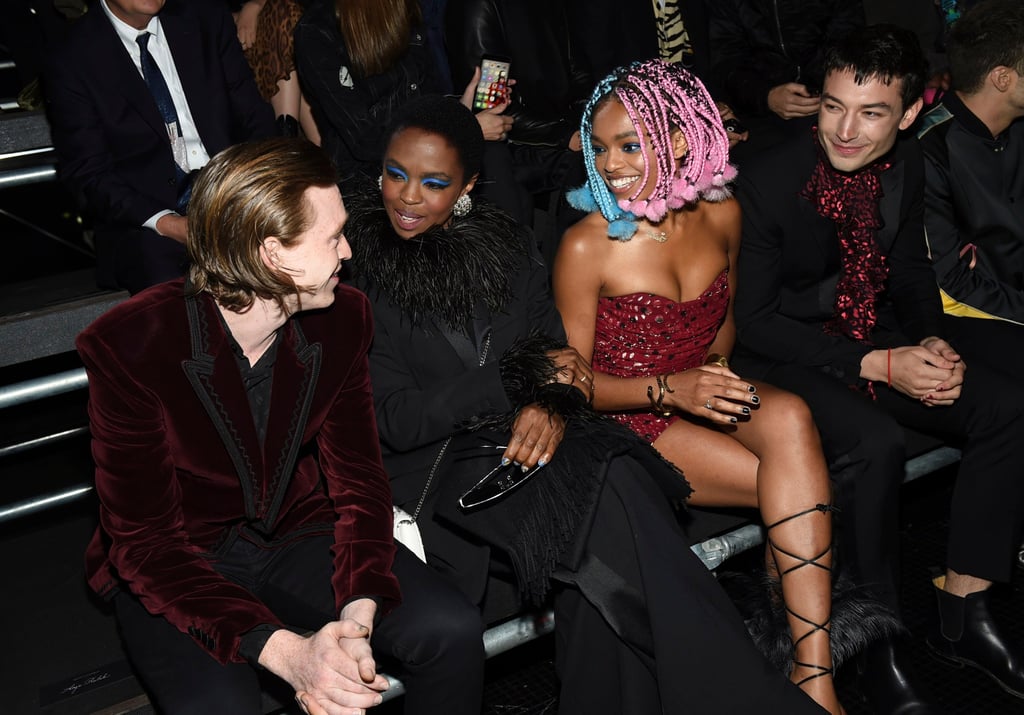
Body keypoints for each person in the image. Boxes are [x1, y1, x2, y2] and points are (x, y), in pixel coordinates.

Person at [344, 94, 824, 714]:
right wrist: (511, 381)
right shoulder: (359, 274)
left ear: (467, 185)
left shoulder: (507, 246)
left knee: (619, 486)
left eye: (433, 182)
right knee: (614, 513)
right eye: (395, 173)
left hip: (534, 445)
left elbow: (557, 357)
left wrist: (548, 403)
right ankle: (763, 700)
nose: (407, 197)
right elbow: (396, 421)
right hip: (441, 474)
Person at [76, 138, 485, 715]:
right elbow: (146, 545)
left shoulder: (342, 318)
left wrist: (358, 606)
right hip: (179, 560)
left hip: (293, 528)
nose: (348, 252)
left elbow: (361, 481)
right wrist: (289, 653)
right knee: (217, 707)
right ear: (273, 254)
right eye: (333, 237)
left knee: (450, 629)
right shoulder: (131, 346)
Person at [732, 23, 1024, 712]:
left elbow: (914, 274)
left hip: (873, 332)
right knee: (874, 444)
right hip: (784, 350)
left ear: (913, 111)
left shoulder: (910, 162)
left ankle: (966, 603)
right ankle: (871, 645)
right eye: (834, 106)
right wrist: (877, 361)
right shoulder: (770, 181)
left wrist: (931, 340)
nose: (846, 130)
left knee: (1006, 407)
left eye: (872, 112)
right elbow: (756, 320)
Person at [553, 59, 849, 715]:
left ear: (682, 140)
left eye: (629, 144)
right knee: (800, 488)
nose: (610, 164)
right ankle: (801, 677)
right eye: (598, 146)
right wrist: (672, 389)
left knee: (792, 420)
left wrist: (709, 376)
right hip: (621, 420)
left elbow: (724, 326)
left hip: (691, 395)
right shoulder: (587, 246)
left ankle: (811, 670)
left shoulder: (722, 213)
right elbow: (570, 388)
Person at [43, 0, 275, 294]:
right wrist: (168, 224)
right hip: (150, 217)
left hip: (233, 191)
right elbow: (89, 173)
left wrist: (251, 190)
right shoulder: (74, 56)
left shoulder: (204, 20)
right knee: (166, 278)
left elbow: (254, 118)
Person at [918, 0, 1024, 326]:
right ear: (1002, 79)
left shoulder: (1016, 126)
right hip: (981, 324)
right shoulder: (927, 150)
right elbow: (949, 286)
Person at [707, 0, 865, 157]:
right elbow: (726, 61)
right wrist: (766, 96)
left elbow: (850, 43)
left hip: (827, 98)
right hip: (754, 108)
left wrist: (827, 89)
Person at [234, 0, 321, 142]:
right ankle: (294, 142)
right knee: (284, 15)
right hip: (228, 33)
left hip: (283, 26)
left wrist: (257, 4)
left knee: (286, 14)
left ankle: (290, 140)